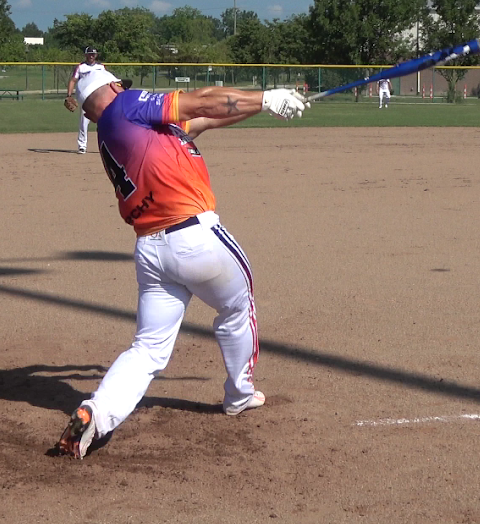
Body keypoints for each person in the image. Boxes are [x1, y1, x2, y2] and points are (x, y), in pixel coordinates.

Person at [55, 70, 309, 459]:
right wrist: (265, 96)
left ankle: (96, 412)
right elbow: (201, 100)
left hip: (151, 251)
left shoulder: (121, 130)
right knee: (238, 306)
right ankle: (239, 394)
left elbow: (207, 117)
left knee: (147, 349)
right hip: (194, 237)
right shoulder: (127, 106)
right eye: (119, 84)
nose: (124, 88)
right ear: (111, 88)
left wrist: (263, 107)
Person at [66, 47, 106, 154]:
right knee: (84, 122)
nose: (91, 56)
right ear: (85, 55)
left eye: (93, 54)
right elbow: (73, 80)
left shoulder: (101, 67)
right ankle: (82, 146)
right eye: (89, 54)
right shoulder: (81, 67)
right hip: (86, 98)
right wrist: (69, 95)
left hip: (99, 99)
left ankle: (105, 145)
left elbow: (107, 81)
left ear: (96, 55)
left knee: (104, 122)